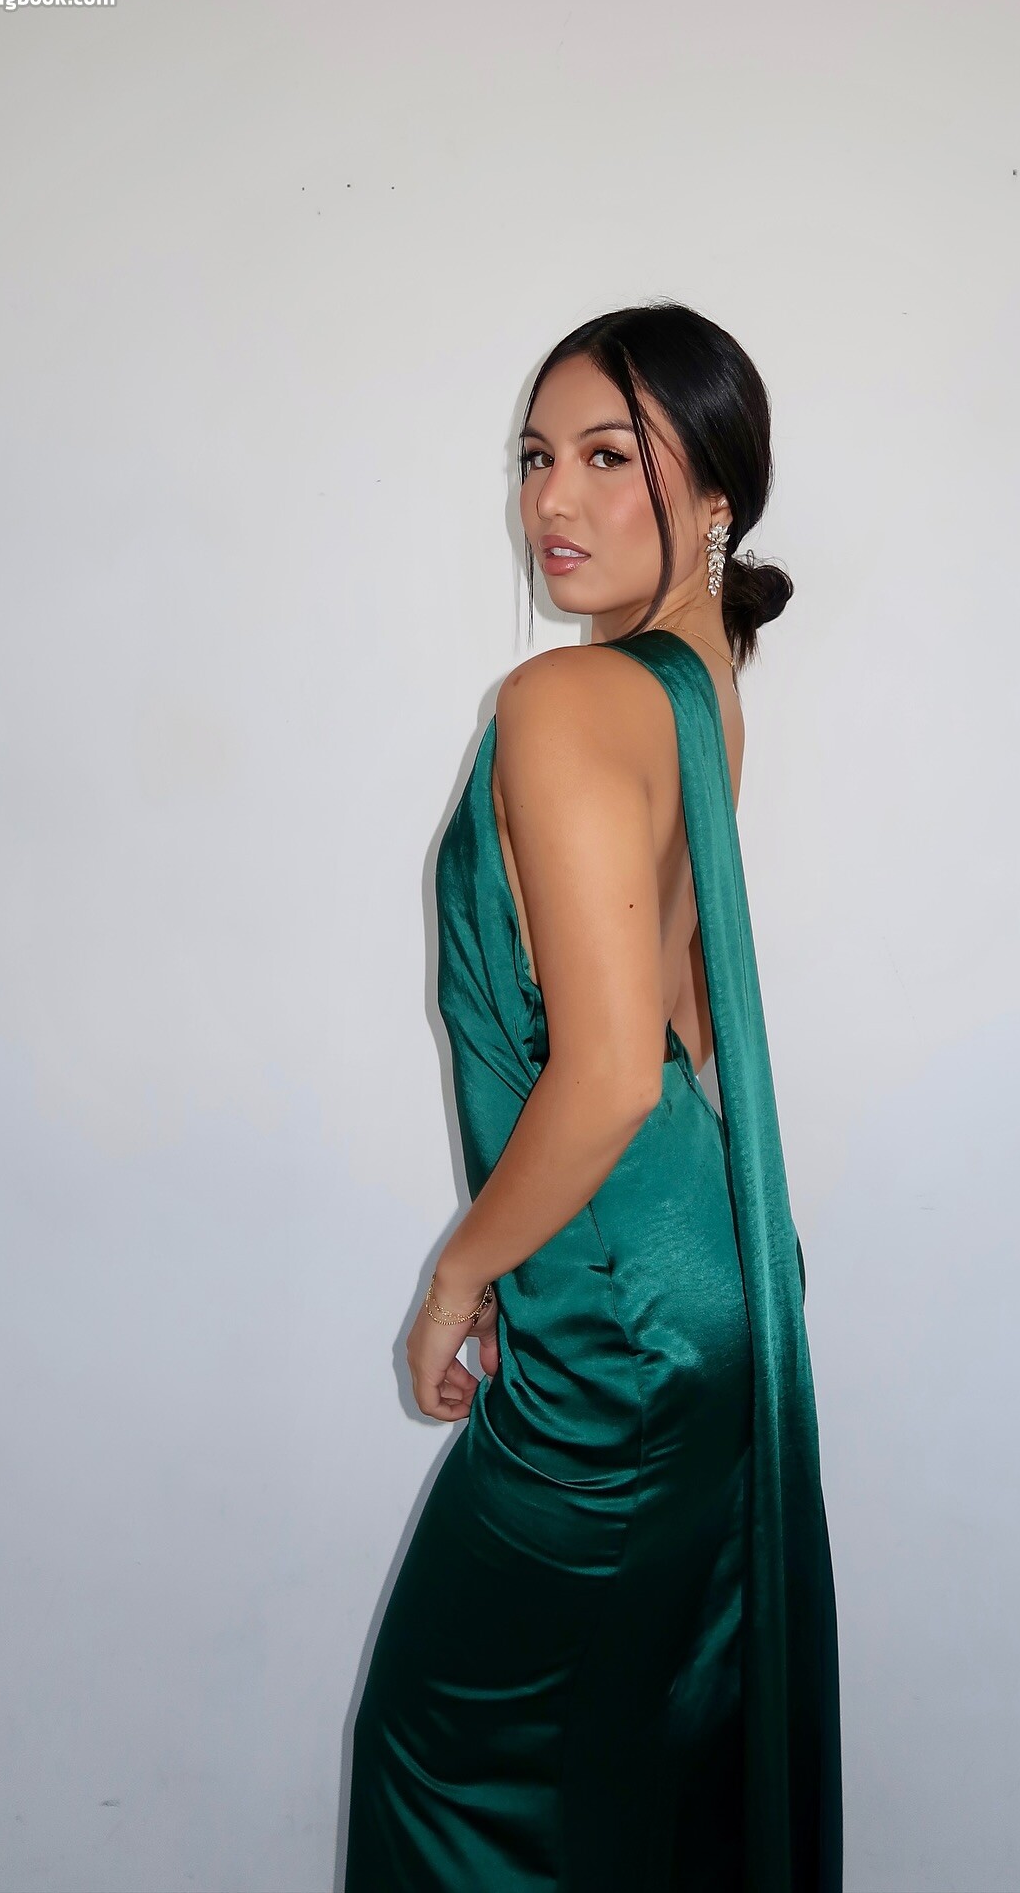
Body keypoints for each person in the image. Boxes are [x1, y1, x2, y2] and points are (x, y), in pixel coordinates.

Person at [343, 301, 842, 1891]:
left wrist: (462, 1274)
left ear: (718, 498)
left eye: (610, 457)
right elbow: (680, 1026)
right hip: (698, 1290)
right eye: (534, 457)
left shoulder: (564, 701)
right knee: (624, 1759)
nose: (551, 501)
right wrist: (554, 1267)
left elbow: (618, 1070)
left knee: (444, 1764)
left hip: (622, 1328)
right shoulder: (698, 688)